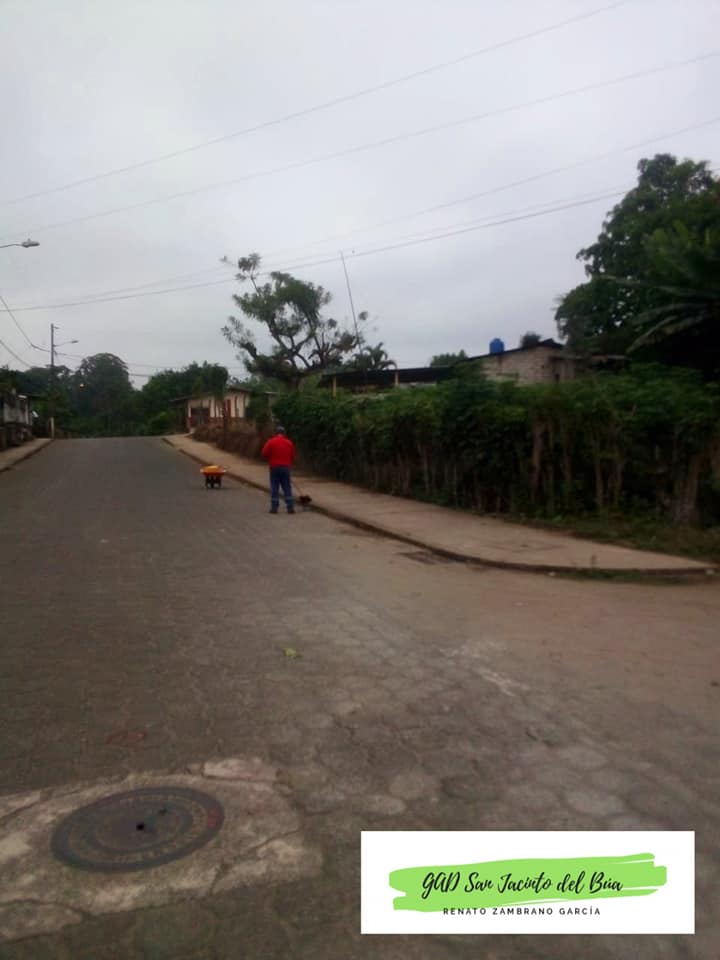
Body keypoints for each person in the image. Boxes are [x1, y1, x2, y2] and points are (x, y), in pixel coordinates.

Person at [261, 426, 296, 514]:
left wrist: (270, 457)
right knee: (287, 487)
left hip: (274, 468)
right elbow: (292, 456)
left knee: (274, 487)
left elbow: (264, 453)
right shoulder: (289, 443)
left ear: (275, 433)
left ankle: (274, 508)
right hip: (285, 468)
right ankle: (290, 507)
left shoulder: (271, 442)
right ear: (284, 433)